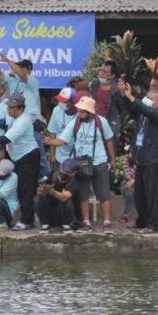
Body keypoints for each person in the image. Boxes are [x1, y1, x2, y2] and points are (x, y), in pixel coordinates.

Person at [44, 95, 116, 234]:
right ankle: (86, 223)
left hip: (99, 161)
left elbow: (109, 140)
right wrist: (49, 142)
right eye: (79, 110)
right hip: (81, 163)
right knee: (83, 194)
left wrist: (112, 159)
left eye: (82, 111)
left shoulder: (101, 122)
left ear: (89, 112)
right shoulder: (75, 123)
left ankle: (107, 222)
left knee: (103, 194)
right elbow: (63, 140)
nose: (79, 113)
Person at [0, 93, 40, 231]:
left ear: (20, 108)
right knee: (17, 188)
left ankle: (27, 221)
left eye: (12, 108)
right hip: (17, 157)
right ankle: (14, 218)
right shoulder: (13, 116)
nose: (8, 110)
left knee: (26, 190)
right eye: (8, 107)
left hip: (28, 157)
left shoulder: (23, 121)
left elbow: (6, 139)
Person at [120, 80, 158, 233]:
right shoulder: (142, 115)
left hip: (153, 159)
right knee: (139, 194)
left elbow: (148, 110)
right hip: (140, 158)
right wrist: (126, 95)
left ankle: (153, 225)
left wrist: (134, 98)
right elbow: (132, 109)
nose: (147, 100)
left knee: (151, 193)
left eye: (151, 98)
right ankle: (142, 221)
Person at [34, 158, 81, 233]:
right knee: (37, 199)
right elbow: (39, 190)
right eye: (63, 170)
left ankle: (67, 225)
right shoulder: (50, 175)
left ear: (74, 173)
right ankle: (45, 225)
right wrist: (42, 189)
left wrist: (51, 190)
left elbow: (64, 197)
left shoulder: (74, 182)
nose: (64, 173)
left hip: (65, 213)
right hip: (50, 210)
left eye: (67, 172)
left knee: (68, 202)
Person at [89, 59, 125, 139]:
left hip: (109, 125)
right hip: (93, 124)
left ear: (112, 76)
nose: (101, 73)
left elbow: (122, 109)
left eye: (105, 72)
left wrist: (122, 95)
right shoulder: (94, 84)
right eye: (101, 70)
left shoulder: (116, 89)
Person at [47, 88, 81, 169]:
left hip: (76, 156)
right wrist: (52, 154)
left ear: (73, 101)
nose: (61, 103)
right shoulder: (57, 110)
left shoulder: (80, 114)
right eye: (60, 100)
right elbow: (52, 132)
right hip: (60, 156)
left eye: (64, 101)